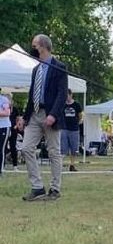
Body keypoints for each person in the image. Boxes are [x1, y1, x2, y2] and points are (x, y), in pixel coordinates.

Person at [22, 34, 68, 200]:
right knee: (26, 148)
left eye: (34, 45)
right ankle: (37, 187)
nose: (32, 48)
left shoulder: (59, 67)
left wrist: (53, 114)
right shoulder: (36, 69)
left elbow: (62, 94)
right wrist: (25, 117)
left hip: (50, 115)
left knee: (53, 152)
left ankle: (55, 189)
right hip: (35, 114)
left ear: (42, 46)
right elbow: (31, 94)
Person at [61, 89, 82, 172]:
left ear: (71, 95)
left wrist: (78, 122)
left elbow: (80, 115)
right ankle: (60, 164)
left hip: (74, 129)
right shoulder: (62, 104)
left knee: (74, 148)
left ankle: (72, 165)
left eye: (67, 95)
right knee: (63, 148)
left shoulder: (76, 104)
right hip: (64, 128)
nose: (67, 97)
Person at [0, 90, 11, 177]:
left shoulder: (4, 100)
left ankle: (0, 170)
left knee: (0, 149)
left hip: (3, 127)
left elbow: (7, 113)